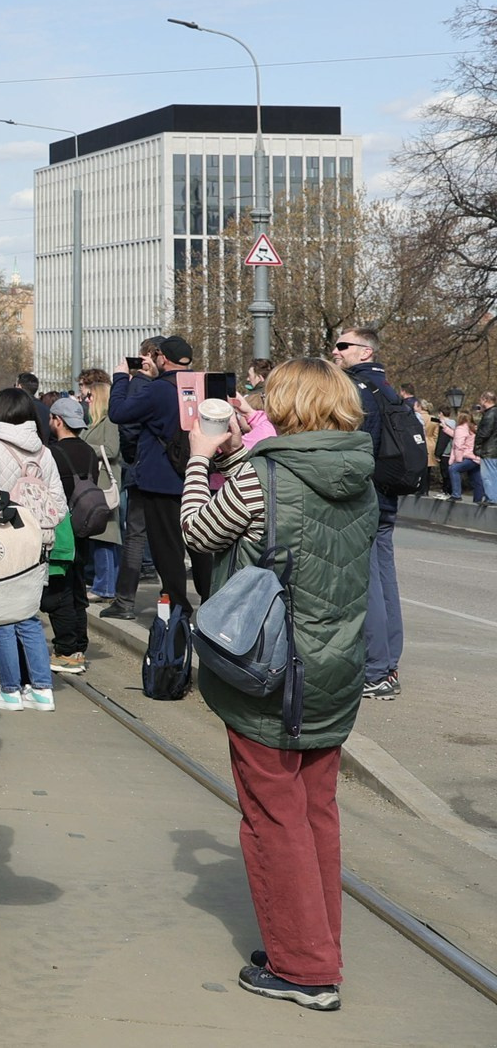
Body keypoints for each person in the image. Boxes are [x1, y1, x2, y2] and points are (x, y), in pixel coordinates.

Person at [178, 356, 377, 1011]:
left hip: (274, 672)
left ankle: (304, 967)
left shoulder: (265, 477)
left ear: (286, 405)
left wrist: (201, 456)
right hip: (334, 668)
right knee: (316, 811)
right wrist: (242, 456)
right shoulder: (360, 475)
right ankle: (317, 944)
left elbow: (199, 528)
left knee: (272, 817)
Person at [0, 388, 67, 711]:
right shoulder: (44, 451)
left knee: (2, 615)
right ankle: (42, 689)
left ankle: (10, 688)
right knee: (28, 613)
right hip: (38, 542)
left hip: (4, 541)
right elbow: (59, 503)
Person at [331, 326, 407, 700]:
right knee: (386, 580)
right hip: (389, 494)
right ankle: (388, 664)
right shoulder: (389, 389)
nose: (335, 351)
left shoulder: (356, 389)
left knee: (368, 584)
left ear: (365, 352)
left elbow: (351, 444)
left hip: (367, 495)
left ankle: (375, 671)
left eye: (343, 346)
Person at [109, 336, 208, 621]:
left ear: (162, 358)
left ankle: (179, 611)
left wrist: (121, 378)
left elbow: (119, 413)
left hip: (160, 480)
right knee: (201, 543)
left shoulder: (157, 391)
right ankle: (210, 600)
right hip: (198, 475)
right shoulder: (203, 386)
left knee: (168, 550)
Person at [40, 393, 101, 674]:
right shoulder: (89, 452)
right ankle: (79, 645)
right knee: (78, 589)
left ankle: (66, 649)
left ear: (58, 421)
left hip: (62, 529)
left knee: (59, 589)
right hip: (85, 527)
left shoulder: (52, 453)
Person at [77, 369, 124, 600]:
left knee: (106, 535)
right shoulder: (94, 422)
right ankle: (104, 583)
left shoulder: (110, 421)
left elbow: (112, 450)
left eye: (90, 397)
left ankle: (105, 586)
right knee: (101, 534)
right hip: (97, 482)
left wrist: (86, 449)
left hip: (105, 481)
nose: (87, 400)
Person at [451, 411, 485, 505]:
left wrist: (458, 460)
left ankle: (456, 494)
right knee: (477, 479)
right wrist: (445, 428)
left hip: (468, 456)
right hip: (477, 457)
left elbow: (458, 445)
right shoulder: (473, 428)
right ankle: (477, 501)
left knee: (453, 469)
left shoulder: (460, 429)